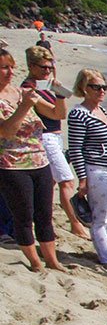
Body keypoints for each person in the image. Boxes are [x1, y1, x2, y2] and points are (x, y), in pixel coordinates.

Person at [0, 47, 64, 271]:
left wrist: (61, 94)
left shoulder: (21, 91)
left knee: (45, 214)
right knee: (24, 216)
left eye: (11, 67)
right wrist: (25, 105)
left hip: (39, 160)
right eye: (4, 68)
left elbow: (57, 114)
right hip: (12, 164)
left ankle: (53, 261)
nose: (9, 72)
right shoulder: (18, 99)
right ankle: (35, 261)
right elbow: (6, 131)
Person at [22, 46, 89, 239]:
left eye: (50, 67)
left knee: (49, 183)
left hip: (55, 137)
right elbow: (58, 114)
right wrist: (60, 94)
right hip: (45, 137)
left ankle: (46, 222)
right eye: (43, 67)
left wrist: (56, 88)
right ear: (31, 66)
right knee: (66, 180)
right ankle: (75, 224)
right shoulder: (29, 88)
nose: (47, 71)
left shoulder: (46, 84)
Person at [68, 69, 107, 267]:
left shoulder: (103, 111)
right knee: (99, 217)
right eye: (96, 87)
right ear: (84, 88)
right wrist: (82, 179)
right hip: (97, 170)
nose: (101, 91)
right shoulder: (79, 114)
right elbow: (75, 149)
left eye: (104, 87)